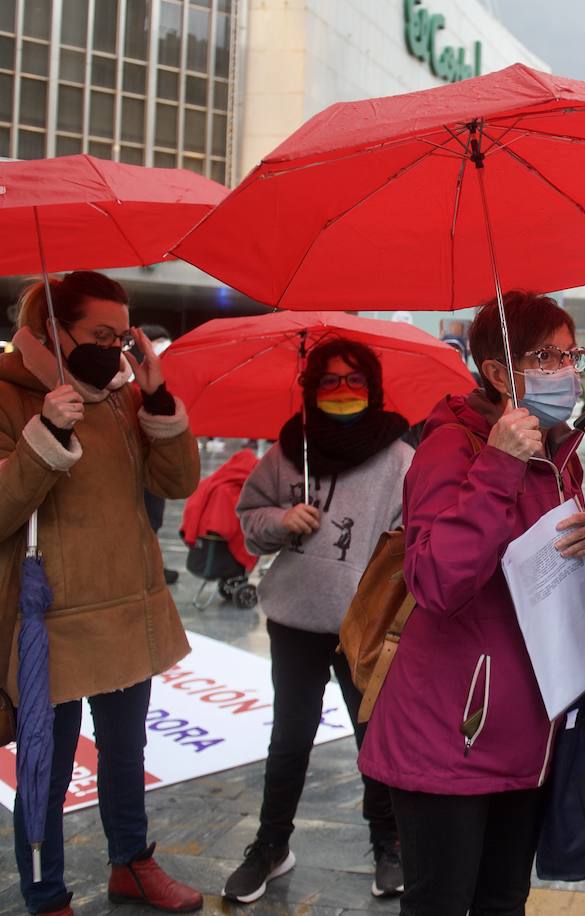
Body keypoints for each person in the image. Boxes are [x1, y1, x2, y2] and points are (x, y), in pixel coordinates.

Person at [0, 271, 202, 915]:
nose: (116, 349)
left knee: (127, 753)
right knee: (46, 767)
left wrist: (156, 401)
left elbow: (177, 481)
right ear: (53, 330)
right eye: (100, 335)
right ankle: (46, 893)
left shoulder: (120, 398)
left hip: (129, 607)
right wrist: (43, 437)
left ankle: (131, 861)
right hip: (51, 623)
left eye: (123, 336)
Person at [357, 291, 585, 915]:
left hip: (531, 722)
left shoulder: (559, 451)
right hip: (454, 724)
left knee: (502, 900)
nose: (565, 369)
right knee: (440, 901)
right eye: (546, 355)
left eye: (571, 354)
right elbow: (435, 582)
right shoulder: (452, 447)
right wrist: (497, 466)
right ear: (496, 371)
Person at [222, 339, 413, 904]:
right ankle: (271, 846)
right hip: (295, 620)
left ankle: (389, 845)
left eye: (354, 381)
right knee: (290, 736)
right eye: (329, 382)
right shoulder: (287, 454)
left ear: (373, 388)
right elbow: (249, 520)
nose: (343, 392)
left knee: (373, 736)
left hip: (365, 623)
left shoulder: (400, 459)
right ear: (310, 390)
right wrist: (282, 519)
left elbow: (415, 539)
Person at [136, 325, 181, 586]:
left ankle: (152, 566)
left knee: (153, 519)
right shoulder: (125, 380)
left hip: (156, 462)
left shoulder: (163, 381)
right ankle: (145, 569)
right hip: (134, 466)